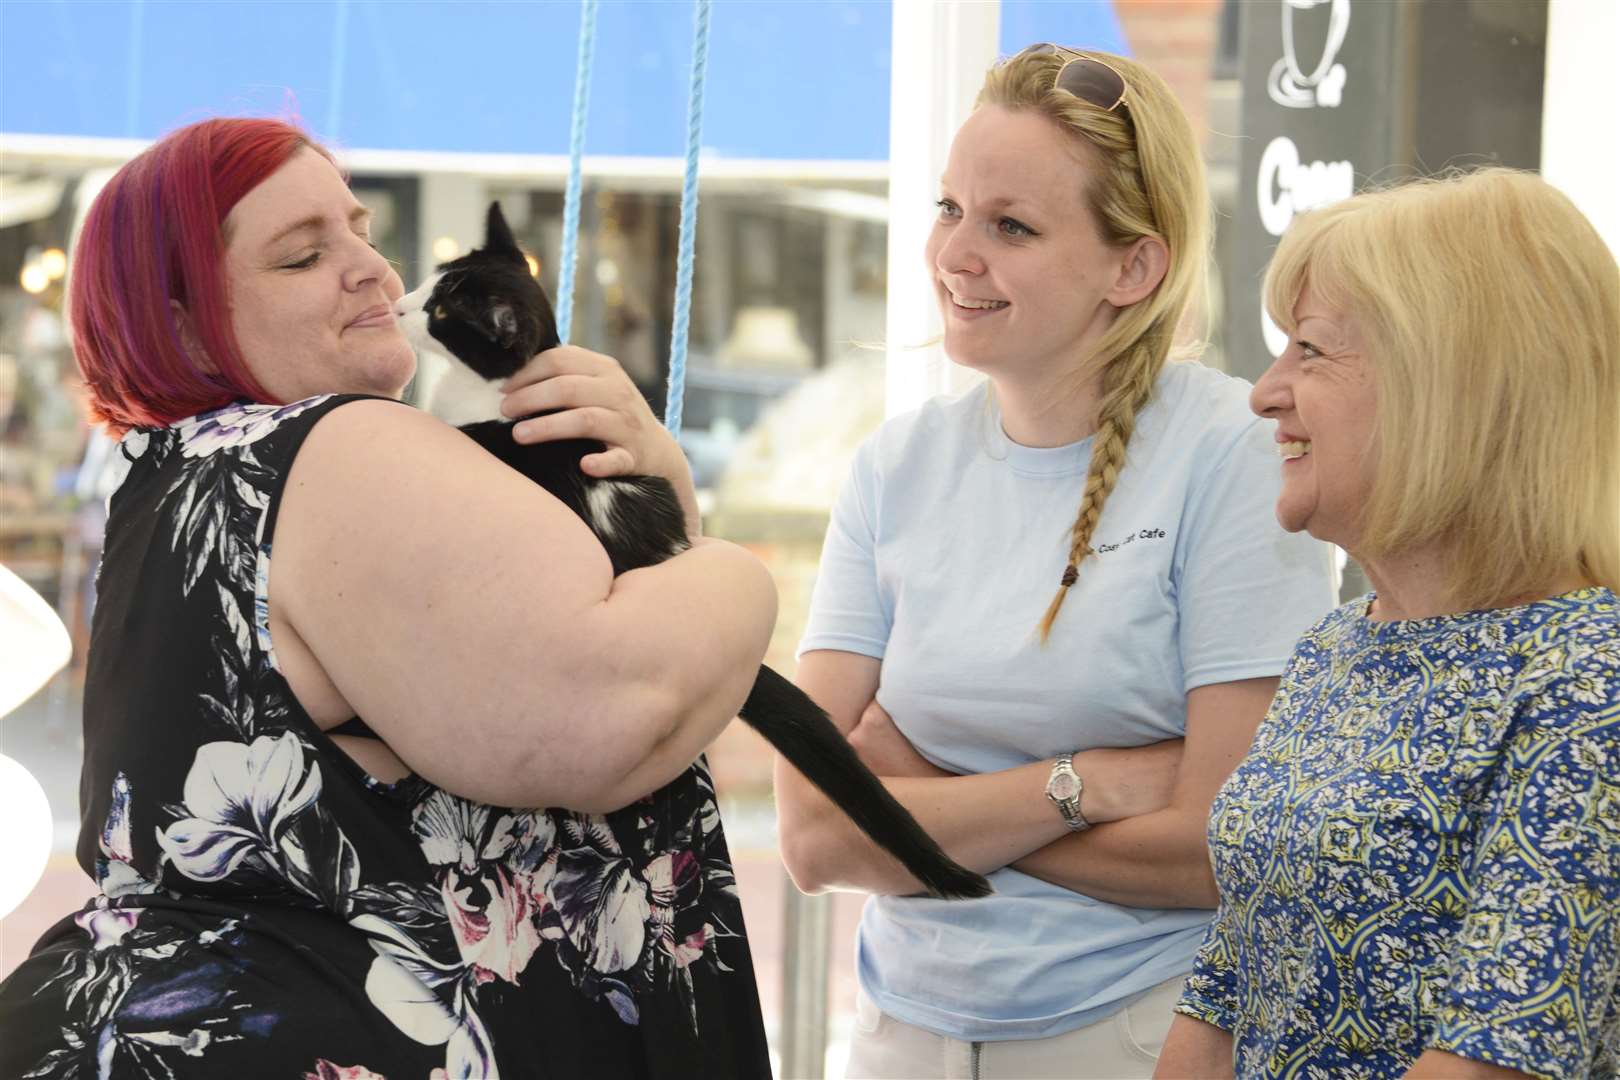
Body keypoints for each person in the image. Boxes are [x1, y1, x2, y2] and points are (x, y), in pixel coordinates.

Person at [0, 117, 779, 1080]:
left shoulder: (171, 481)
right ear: (187, 321)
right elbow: (607, 706)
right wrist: (729, 566)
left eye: (362, 230)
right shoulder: (335, 444)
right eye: (303, 256)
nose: (373, 269)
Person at [772, 44, 1338, 1079]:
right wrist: (1083, 785)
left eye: (1012, 226)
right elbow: (812, 836)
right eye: (950, 208)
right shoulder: (897, 465)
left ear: (1135, 268)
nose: (954, 254)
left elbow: (1221, 852)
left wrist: (922, 807)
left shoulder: (1229, 457)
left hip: (1136, 1031)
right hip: (900, 1033)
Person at [1156, 169, 1620, 1079]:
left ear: (1450, 386)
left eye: (1311, 353)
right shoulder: (1340, 643)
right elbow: (1226, 981)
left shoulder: (1589, 678)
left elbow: (1500, 1052)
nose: (1265, 392)